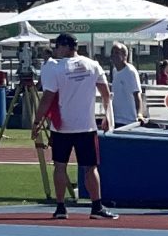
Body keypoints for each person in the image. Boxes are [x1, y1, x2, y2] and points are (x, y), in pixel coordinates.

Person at [38, 30, 114, 221]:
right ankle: (96, 206)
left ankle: (61, 207)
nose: (56, 51)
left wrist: (37, 120)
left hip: (62, 127)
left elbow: (47, 97)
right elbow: (106, 93)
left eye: (57, 47)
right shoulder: (92, 65)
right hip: (86, 126)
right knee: (90, 168)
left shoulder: (55, 68)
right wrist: (107, 115)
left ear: (64, 47)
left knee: (60, 166)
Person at [107, 43, 143, 133]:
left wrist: (139, 114)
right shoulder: (115, 71)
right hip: (116, 119)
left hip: (128, 120)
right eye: (112, 53)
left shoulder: (130, 71)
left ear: (125, 56)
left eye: (117, 53)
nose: (113, 55)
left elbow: (137, 94)